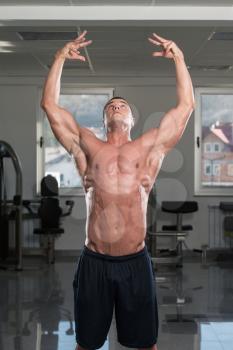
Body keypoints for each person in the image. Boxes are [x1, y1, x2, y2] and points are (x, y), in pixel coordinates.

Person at [41, 30, 195, 350]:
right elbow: (50, 107)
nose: (116, 106)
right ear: (103, 119)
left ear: (131, 119)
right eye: (111, 105)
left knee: (145, 344)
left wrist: (178, 58)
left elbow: (186, 108)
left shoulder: (149, 147)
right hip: (94, 261)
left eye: (122, 104)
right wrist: (59, 58)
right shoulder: (87, 145)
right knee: (86, 342)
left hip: (135, 261)